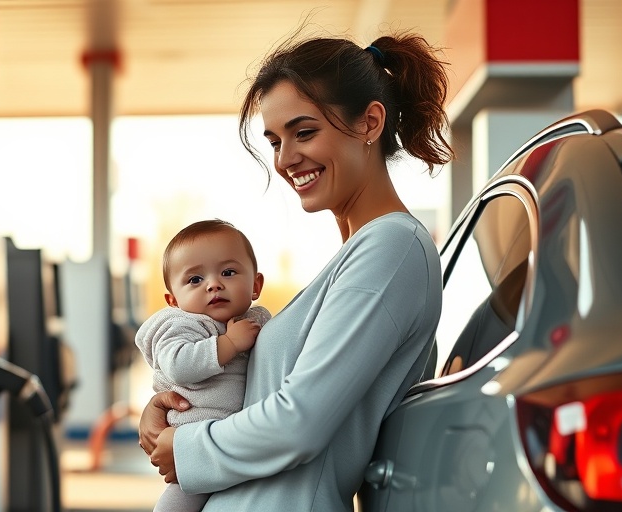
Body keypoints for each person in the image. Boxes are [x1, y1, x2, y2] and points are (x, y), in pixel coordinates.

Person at [138, 27, 453, 511]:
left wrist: (187, 448)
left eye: (305, 132)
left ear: (370, 123)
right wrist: (173, 411)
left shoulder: (393, 249)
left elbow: (301, 421)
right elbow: (262, 400)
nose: (286, 159)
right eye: (275, 140)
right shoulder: (356, 256)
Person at [135, 219, 272, 512]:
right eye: (195, 280)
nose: (214, 284)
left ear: (256, 285)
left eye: (228, 272)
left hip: (234, 447)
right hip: (192, 440)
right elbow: (178, 365)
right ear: (173, 300)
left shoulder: (259, 322)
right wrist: (229, 345)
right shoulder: (181, 324)